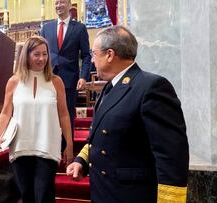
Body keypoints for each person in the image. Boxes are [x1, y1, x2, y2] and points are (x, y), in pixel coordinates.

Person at [66, 26, 189, 203]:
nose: (92, 61)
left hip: (130, 194)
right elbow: (101, 136)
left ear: (109, 54)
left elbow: (171, 155)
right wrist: (81, 161)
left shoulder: (151, 87)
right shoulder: (109, 87)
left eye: (94, 54)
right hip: (104, 191)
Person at [0, 36, 73, 203]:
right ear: (26, 56)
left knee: (43, 195)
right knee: (27, 195)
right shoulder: (14, 82)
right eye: (37, 54)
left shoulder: (56, 82)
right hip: (21, 146)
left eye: (45, 54)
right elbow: (6, 112)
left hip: (48, 146)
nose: (42, 59)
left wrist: (69, 145)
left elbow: (64, 114)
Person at [40, 0, 91, 149]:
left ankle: (67, 148)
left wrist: (83, 77)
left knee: (67, 114)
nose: (58, 5)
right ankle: (50, 147)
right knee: (48, 113)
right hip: (48, 78)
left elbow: (86, 56)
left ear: (70, 5)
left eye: (62, 2)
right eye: (56, 3)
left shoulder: (80, 28)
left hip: (70, 79)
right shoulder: (46, 28)